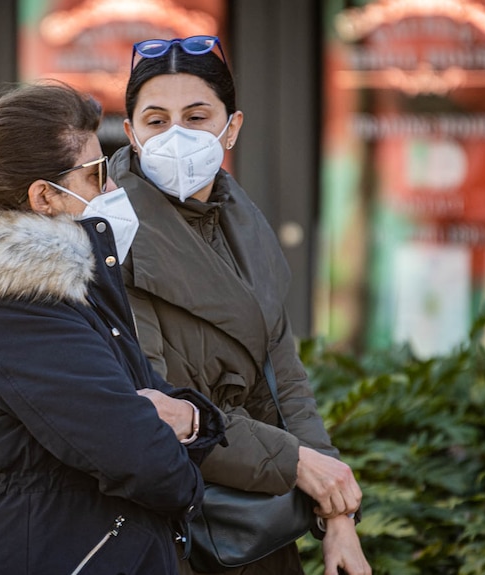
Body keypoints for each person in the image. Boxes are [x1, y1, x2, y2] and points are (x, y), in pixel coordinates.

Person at [0, 81, 226, 575]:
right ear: (44, 196)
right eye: (96, 175)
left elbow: (150, 404)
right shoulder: (18, 310)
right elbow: (145, 460)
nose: (112, 189)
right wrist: (182, 446)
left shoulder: (59, 294)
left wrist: (193, 419)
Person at [111, 36, 372, 575]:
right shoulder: (110, 234)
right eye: (157, 120)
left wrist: (337, 513)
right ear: (132, 134)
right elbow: (154, 402)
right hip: (172, 525)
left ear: (231, 128)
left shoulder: (243, 224)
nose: (176, 135)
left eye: (197, 116)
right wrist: (298, 464)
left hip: (258, 521)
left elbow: (285, 383)